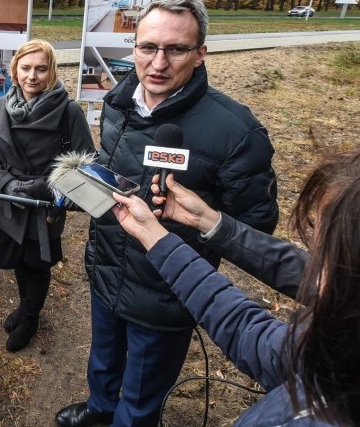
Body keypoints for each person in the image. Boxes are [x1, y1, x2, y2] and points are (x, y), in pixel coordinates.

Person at [55, 0, 280, 427]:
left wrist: (188, 221)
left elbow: (256, 225)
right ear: (133, 47)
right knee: (103, 358)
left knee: (141, 394)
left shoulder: (236, 131)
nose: (158, 63)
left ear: (200, 54)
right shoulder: (119, 100)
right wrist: (86, 180)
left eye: (175, 49)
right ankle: (99, 410)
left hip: (168, 287)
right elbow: (114, 159)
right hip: (108, 267)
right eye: (147, 47)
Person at [110, 148, 360, 425]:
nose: (312, 268)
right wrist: (172, 231)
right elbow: (253, 334)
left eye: (322, 253)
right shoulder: (334, 348)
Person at [0, 39, 94, 351]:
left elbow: (84, 166)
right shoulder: (2, 106)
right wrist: (6, 184)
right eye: (26, 68)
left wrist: (45, 187)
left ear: (51, 71)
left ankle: (31, 317)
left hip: (44, 205)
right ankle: (24, 306)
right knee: (17, 258)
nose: (32, 76)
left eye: (41, 69)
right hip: (9, 200)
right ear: (15, 70)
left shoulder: (68, 111)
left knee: (37, 265)